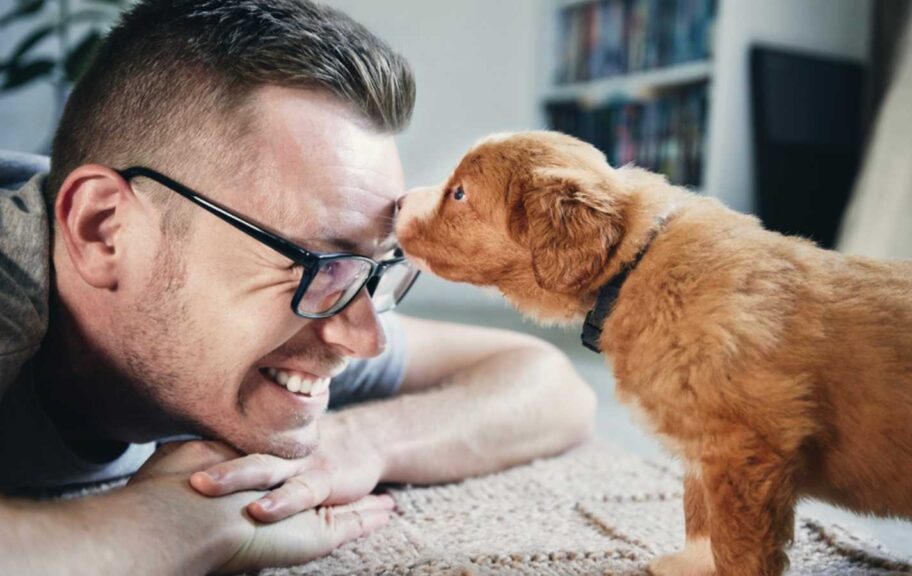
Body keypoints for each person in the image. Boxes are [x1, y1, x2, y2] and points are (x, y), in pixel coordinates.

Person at [0, 0, 596, 573]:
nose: (365, 339)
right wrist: (164, 527)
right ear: (104, 230)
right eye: (315, 260)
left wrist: (354, 443)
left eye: (370, 268)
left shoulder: (318, 308)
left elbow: (548, 385)